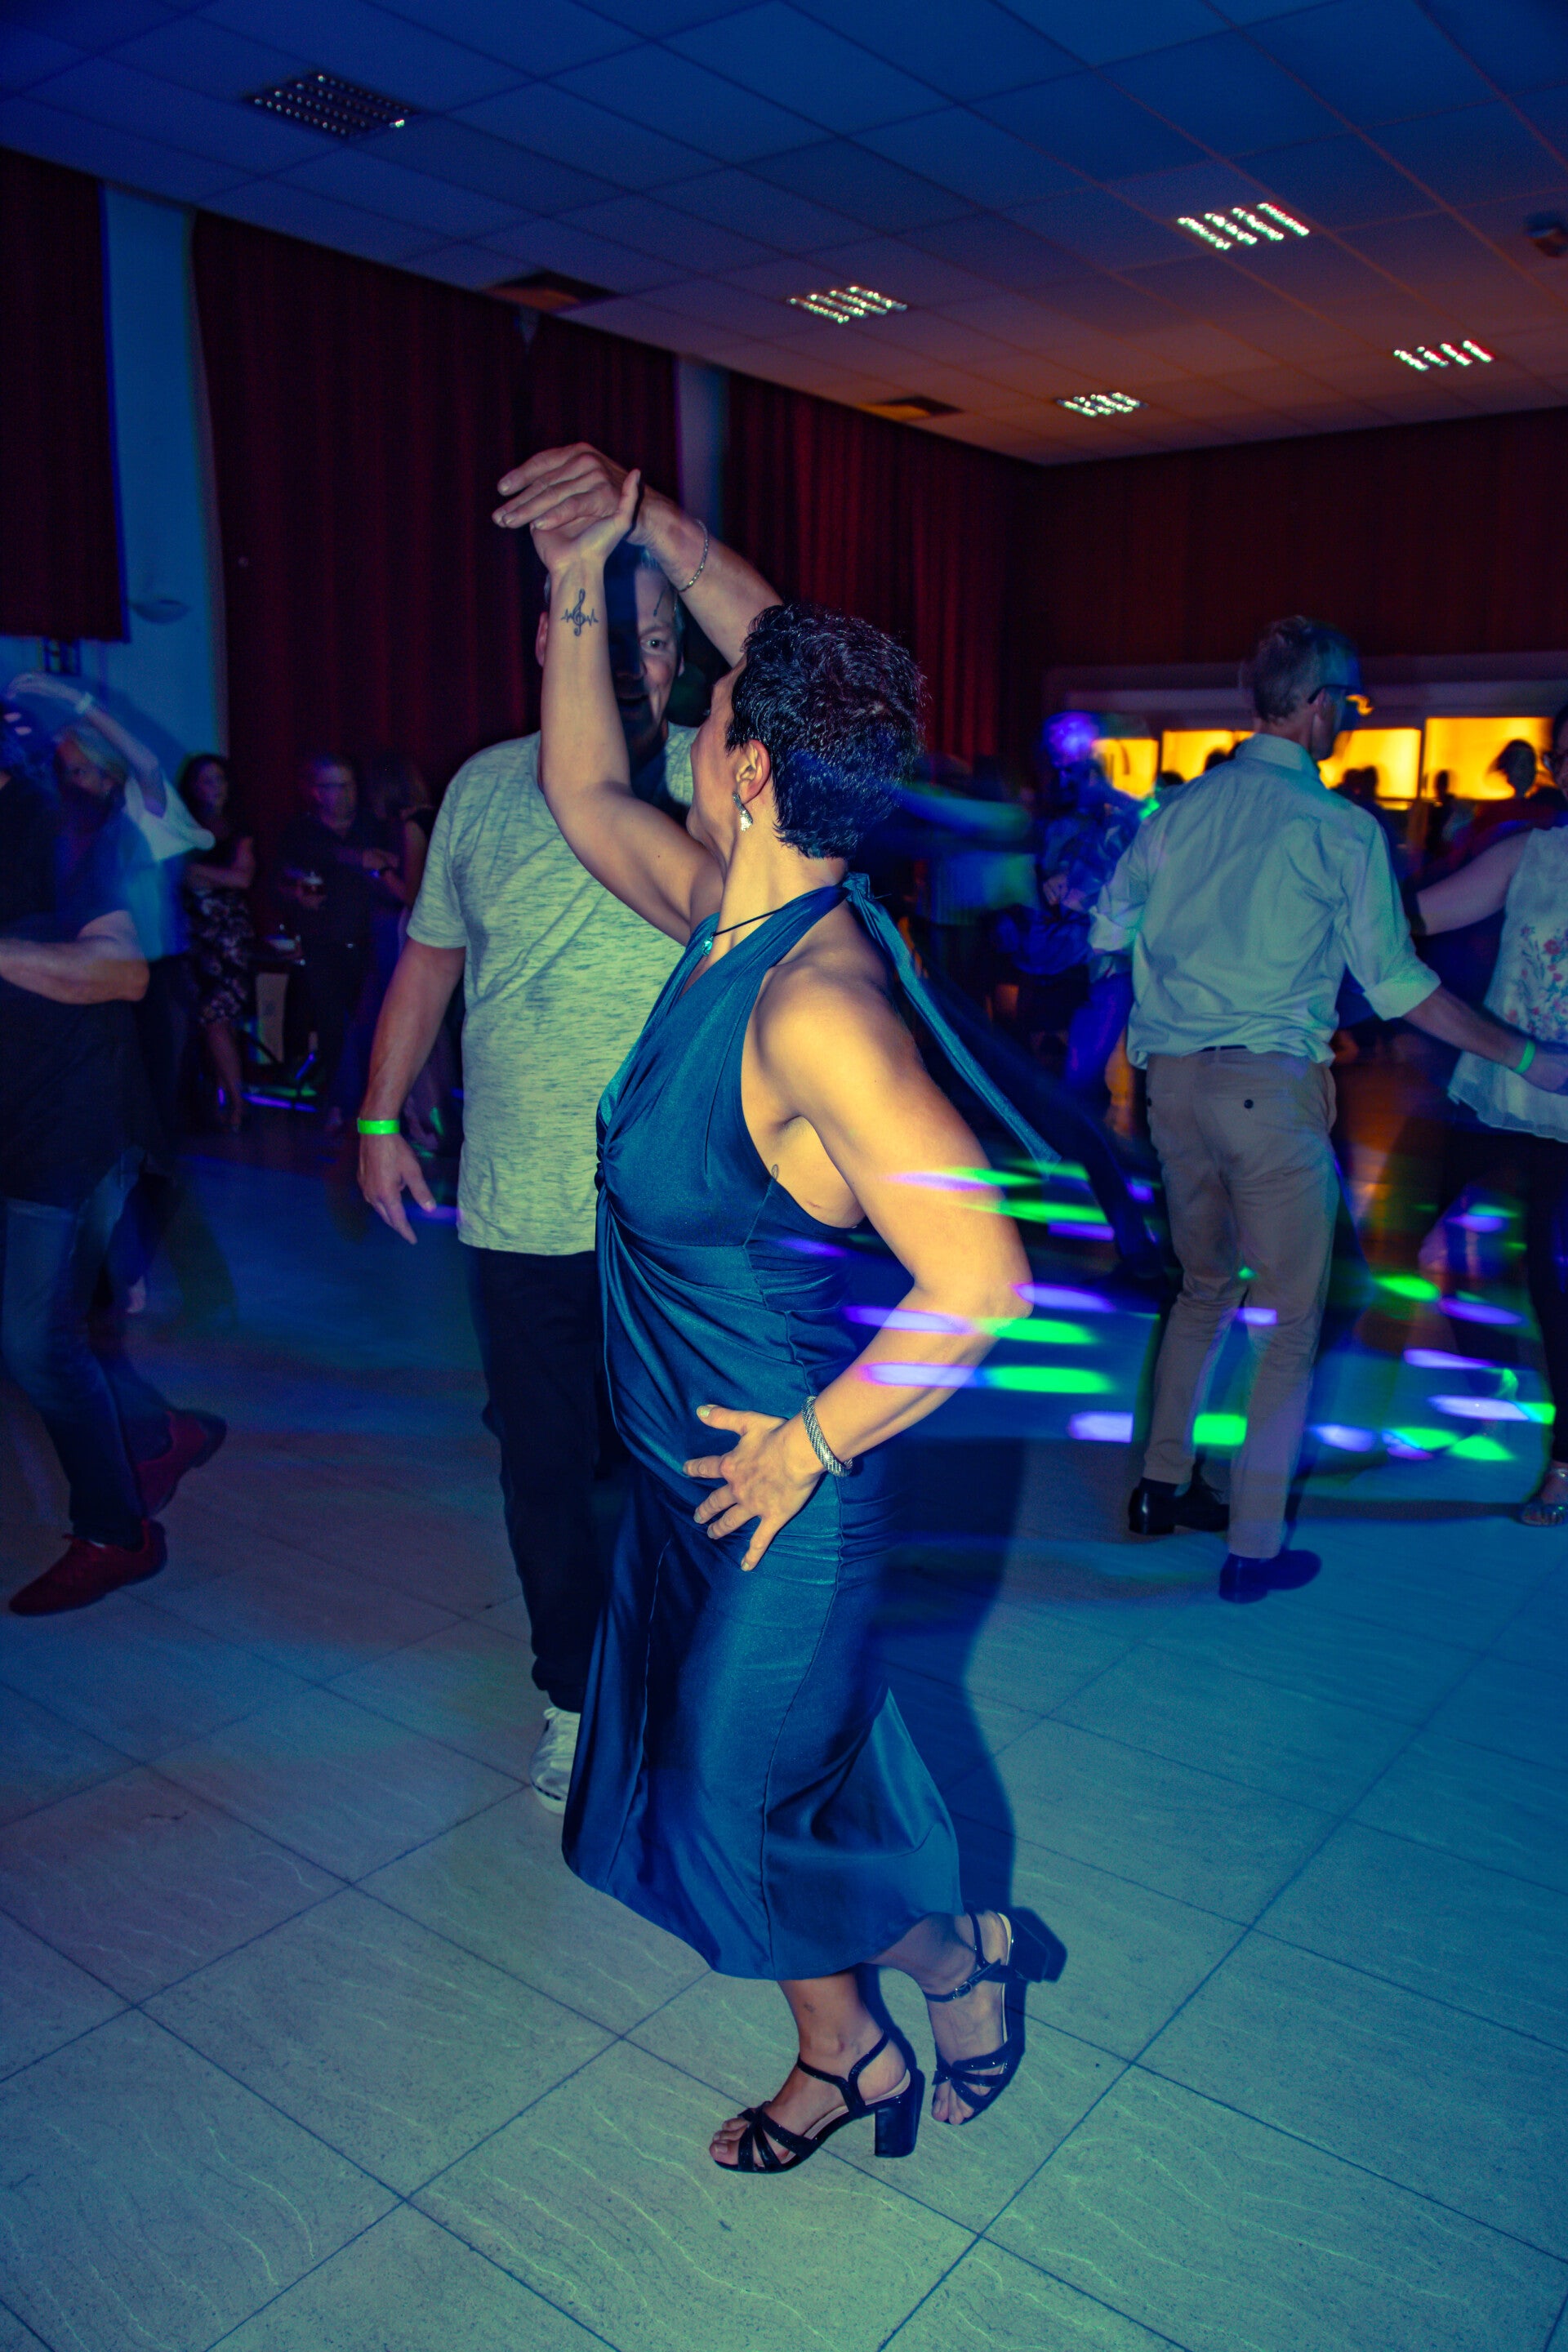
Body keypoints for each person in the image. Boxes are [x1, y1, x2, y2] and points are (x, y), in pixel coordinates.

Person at [528, 466, 1056, 2174]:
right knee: (747, 1796)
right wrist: (583, 571)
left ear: (749, 768)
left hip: (783, 1490)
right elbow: (578, 785)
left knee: (728, 1808)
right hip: (692, 1471)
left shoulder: (821, 1004)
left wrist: (812, 1445)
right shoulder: (718, 917)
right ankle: (849, 2056)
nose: (685, 727)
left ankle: (955, 1959)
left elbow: (983, 1281)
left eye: (710, 715)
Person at [359, 443, 778, 1811]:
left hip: (676, 1219)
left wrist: (650, 519)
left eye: (655, 639)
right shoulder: (483, 791)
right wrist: (378, 1114)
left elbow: (785, 651)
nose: (629, 661)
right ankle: (572, 1693)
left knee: (692, 1466)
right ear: (548, 635)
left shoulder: (715, 789)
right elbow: (431, 960)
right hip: (523, 1204)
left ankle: (697, 1683)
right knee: (548, 1472)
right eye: (600, 625)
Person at [1091, 616, 1568, 1602]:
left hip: (1173, 1086)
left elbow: (1108, 924)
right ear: (1315, 708)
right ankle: (1254, 1546)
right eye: (1346, 703)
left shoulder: (1180, 811)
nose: (1349, 717)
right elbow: (1399, 986)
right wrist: (1523, 1053)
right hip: (1266, 1091)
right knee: (1289, 1321)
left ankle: (1157, 1491)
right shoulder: (1338, 829)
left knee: (1201, 1290)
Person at [0, 705, 221, 1617]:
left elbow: (122, 973)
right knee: (34, 1332)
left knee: (31, 1340)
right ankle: (156, 1431)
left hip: (73, 1123)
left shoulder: (70, 825)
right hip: (19, 1117)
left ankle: (115, 1534)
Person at [1414, 821, 1568, 1522]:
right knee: (1429, 1237)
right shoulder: (1532, 854)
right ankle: (1492, 1372)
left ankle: (1563, 1461)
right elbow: (1414, 916)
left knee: (1553, 1276)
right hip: (1506, 1087)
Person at [274, 755, 399, 1126]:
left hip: (373, 941)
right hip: (323, 942)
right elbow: (280, 880)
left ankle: (379, 1106)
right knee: (331, 1025)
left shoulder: (372, 825)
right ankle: (339, 1108)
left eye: (348, 784)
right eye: (334, 786)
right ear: (316, 791)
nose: (344, 794)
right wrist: (297, 894)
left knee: (377, 1026)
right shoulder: (302, 832)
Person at [177, 754, 256, 1132]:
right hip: (189, 932)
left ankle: (237, 1104)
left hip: (226, 935)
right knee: (202, 1020)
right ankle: (218, 1100)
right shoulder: (179, 827)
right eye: (207, 780)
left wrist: (195, 871)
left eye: (220, 779)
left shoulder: (238, 829)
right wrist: (208, 876)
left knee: (218, 1018)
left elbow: (242, 878)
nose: (216, 787)